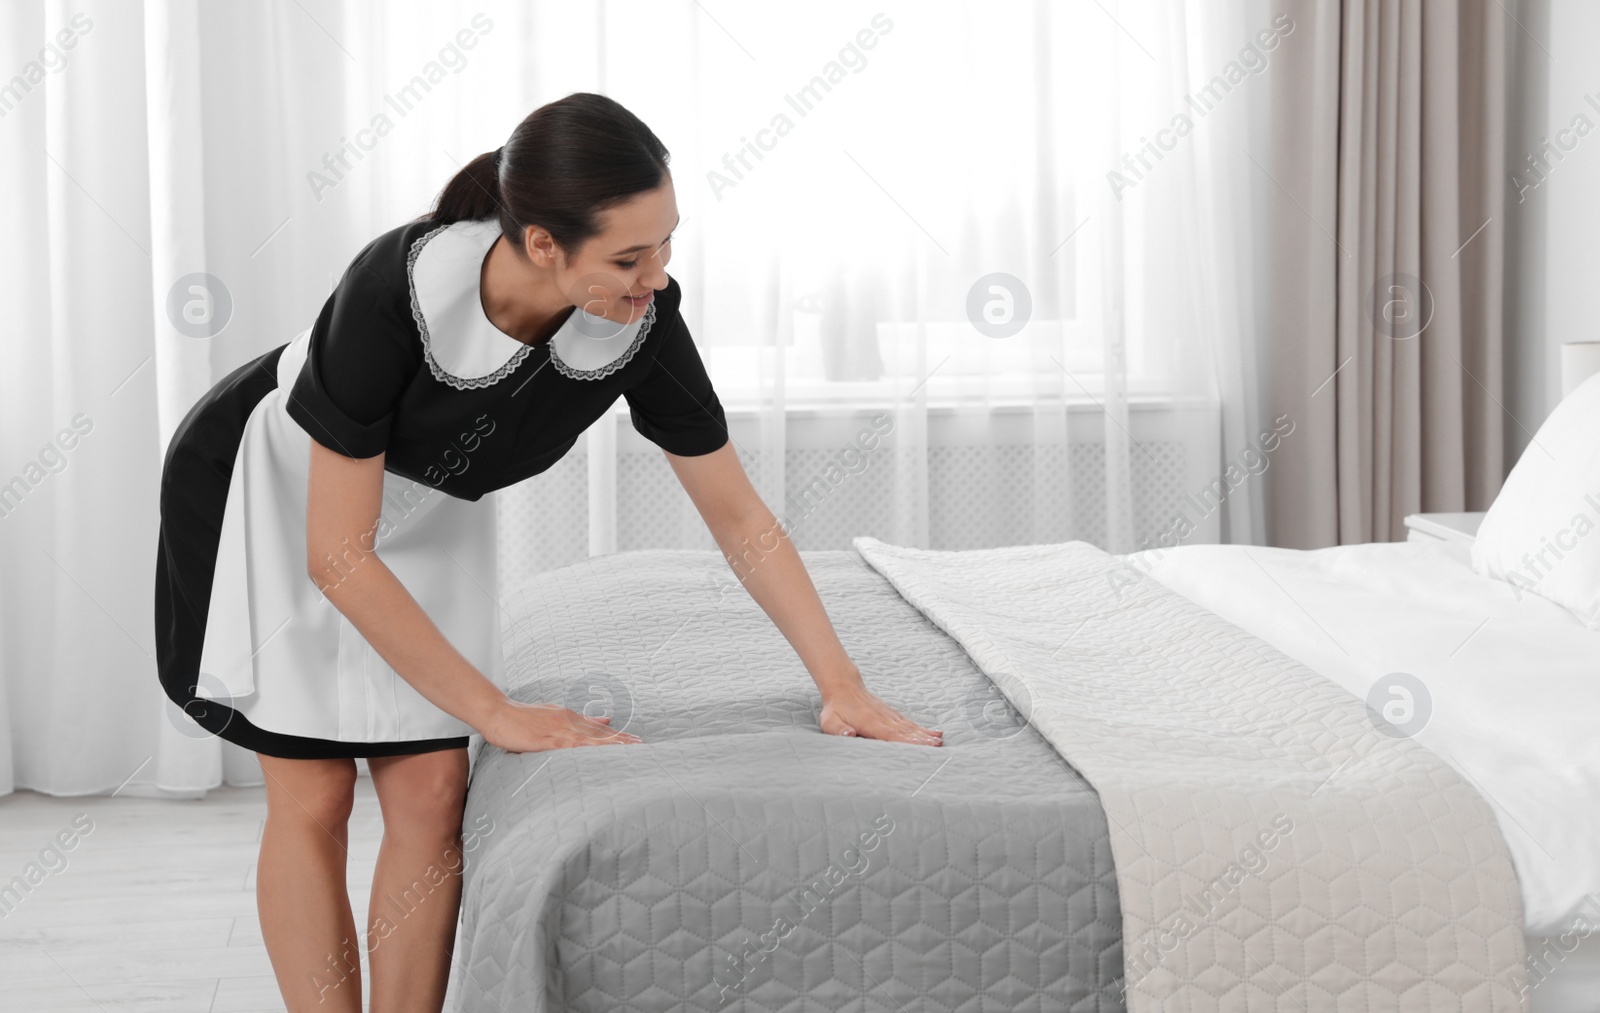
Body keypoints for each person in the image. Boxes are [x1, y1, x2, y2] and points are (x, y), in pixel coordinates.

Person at [152, 91, 941, 1013]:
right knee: (317, 796)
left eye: (667, 243)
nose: (655, 274)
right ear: (541, 245)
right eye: (628, 255)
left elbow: (739, 517)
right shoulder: (398, 288)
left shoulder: (642, 318)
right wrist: (498, 709)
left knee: (433, 789)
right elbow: (339, 552)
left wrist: (840, 684)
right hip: (281, 491)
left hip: (432, 508)